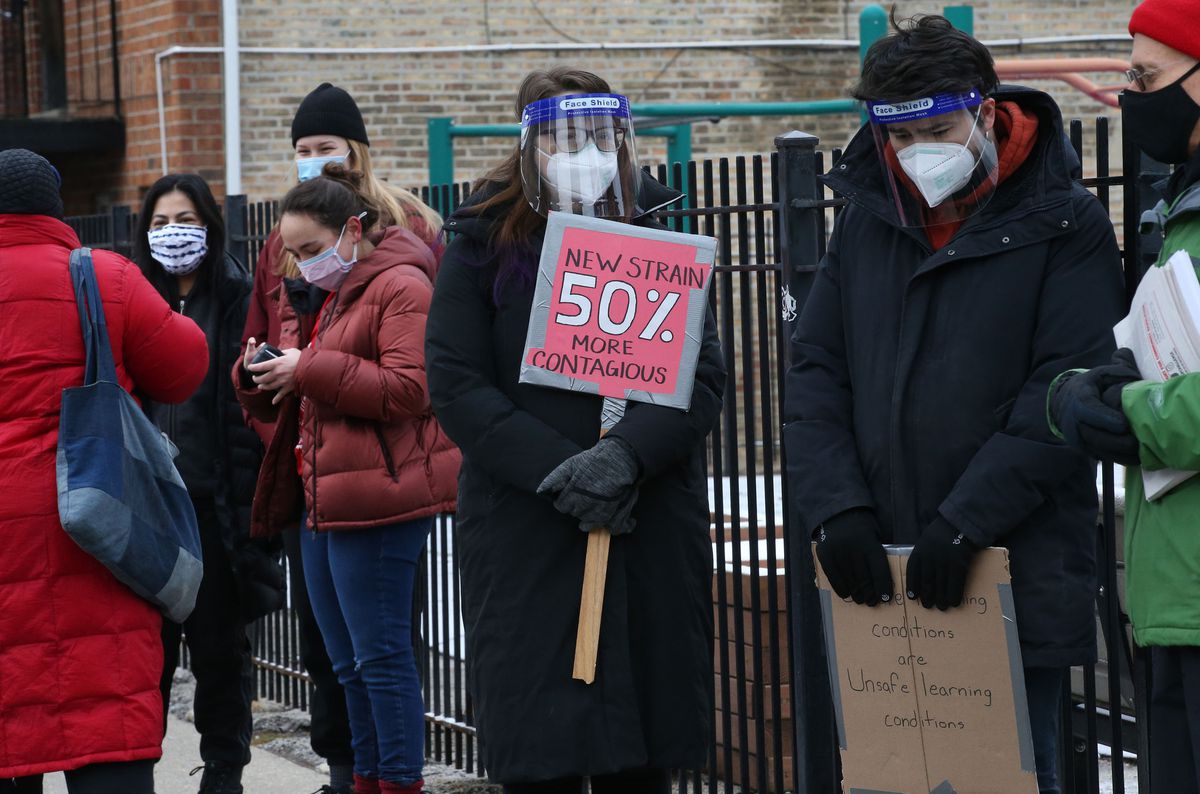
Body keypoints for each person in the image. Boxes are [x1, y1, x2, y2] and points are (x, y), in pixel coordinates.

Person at [783, 14, 1125, 794]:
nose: (914, 155)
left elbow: (1063, 392)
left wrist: (966, 521)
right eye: (897, 137)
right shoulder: (867, 223)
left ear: (985, 110)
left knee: (1012, 773)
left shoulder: (1064, 225)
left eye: (936, 129)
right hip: (879, 578)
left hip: (1007, 572)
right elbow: (816, 375)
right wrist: (837, 509)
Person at [425, 67, 726, 794]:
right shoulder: (479, 241)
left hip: (642, 518)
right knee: (543, 749)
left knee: (641, 754)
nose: (582, 150)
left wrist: (623, 458)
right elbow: (456, 382)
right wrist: (564, 470)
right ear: (529, 142)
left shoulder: (656, 229)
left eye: (596, 134)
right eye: (562, 135)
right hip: (529, 527)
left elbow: (701, 373)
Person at [238, 82, 444, 794]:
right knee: (347, 659)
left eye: (310, 251)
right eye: (301, 150)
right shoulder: (337, 285)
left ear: (351, 231)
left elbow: (410, 388)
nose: (300, 265)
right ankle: (366, 779)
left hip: (379, 490)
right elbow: (287, 347)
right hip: (322, 486)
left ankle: (397, 781)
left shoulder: (400, 275)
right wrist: (264, 372)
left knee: (381, 654)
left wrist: (310, 368)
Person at [0, 149, 207, 792]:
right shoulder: (102, 277)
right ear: (56, 210)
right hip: (94, 523)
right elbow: (184, 369)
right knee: (104, 729)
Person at [1047, 0, 1200, 789]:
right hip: (1174, 597)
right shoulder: (1180, 210)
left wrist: (1129, 412)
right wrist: (1093, 389)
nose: (1132, 97)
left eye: (1148, 77)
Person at [130, 174, 285, 794]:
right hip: (147, 509)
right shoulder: (132, 297)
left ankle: (224, 771)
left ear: (210, 225)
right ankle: (137, 763)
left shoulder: (240, 296)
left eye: (185, 219)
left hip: (214, 507)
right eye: (161, 222)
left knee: (220, 650)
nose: (173, 233)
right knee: (148, 656)